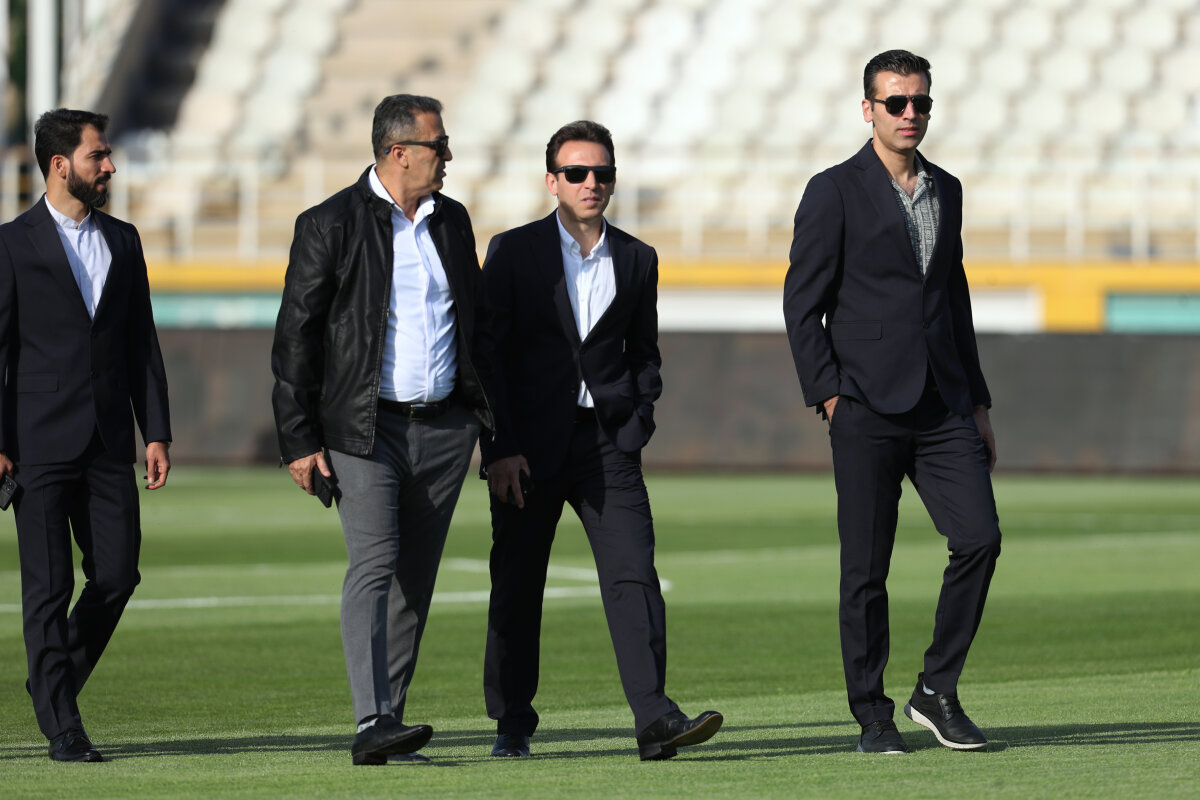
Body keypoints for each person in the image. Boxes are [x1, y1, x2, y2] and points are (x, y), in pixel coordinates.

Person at [479, 120, 722, 762]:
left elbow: (644, 352)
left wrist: (638, 415)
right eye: (577, 172)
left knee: (634, 576)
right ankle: (511, 724)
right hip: (526, 450)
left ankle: (655, 720)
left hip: (608, 445)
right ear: (552, 181)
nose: (591, 183)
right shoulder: (513, 251)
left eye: (602, 173)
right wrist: (498, 446)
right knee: (518, 584)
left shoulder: (638, 257)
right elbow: (488, 357)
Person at [783, 50, 1002, 754]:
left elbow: (952, 300)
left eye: (920, 103)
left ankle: (936, 690)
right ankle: (873, 715)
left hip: (944, 404)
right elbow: (802, 303)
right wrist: (830, 396)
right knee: (865, 570)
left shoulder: (948, 189)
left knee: (980, 538)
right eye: (896, 102)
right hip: (865, 406)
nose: (910, 114)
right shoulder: (833, 190)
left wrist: (978, 404)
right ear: (868, 109)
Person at [271, 94, 491, 766]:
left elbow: (475, 331)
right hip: (363, 430)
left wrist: (486, 427)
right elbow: (296, 337)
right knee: (374, 565)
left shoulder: (453, 221)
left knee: (413, 582)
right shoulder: (329, 222)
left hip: (445, 431)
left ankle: (388, 721)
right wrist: (298, 438)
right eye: (438, 145)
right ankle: (370, 720)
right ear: (399, 152)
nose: (448, 156)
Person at [0, 108, 172, 762]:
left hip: (108, 439)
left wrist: (155, 430)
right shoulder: (10, 244)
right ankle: (63, 728)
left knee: (118, 575)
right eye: (98, 156)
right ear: (59, 164)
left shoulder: (124, 240)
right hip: (36, 441)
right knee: (47, 590)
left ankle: (52, 683)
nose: (110, 167)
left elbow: (140, 341)